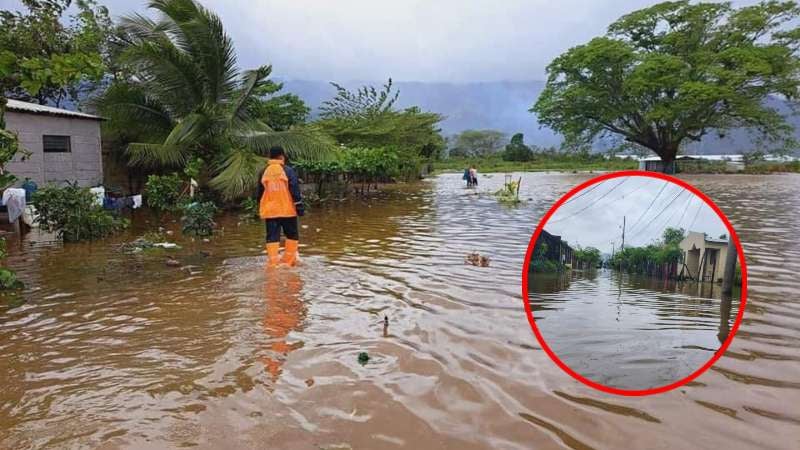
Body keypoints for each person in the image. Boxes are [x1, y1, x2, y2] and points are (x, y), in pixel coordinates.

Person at [257, 146, 304, 268]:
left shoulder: (263, 172)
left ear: (270, 156)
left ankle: (273, 264)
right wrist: (299, 206)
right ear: (282, 156)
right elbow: (294, 189)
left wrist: (260, 208)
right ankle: (289, 262)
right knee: (292, 235)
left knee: (272, 237)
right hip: (287, 210)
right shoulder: (288, 170)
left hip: (270, 211)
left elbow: (259, 193)